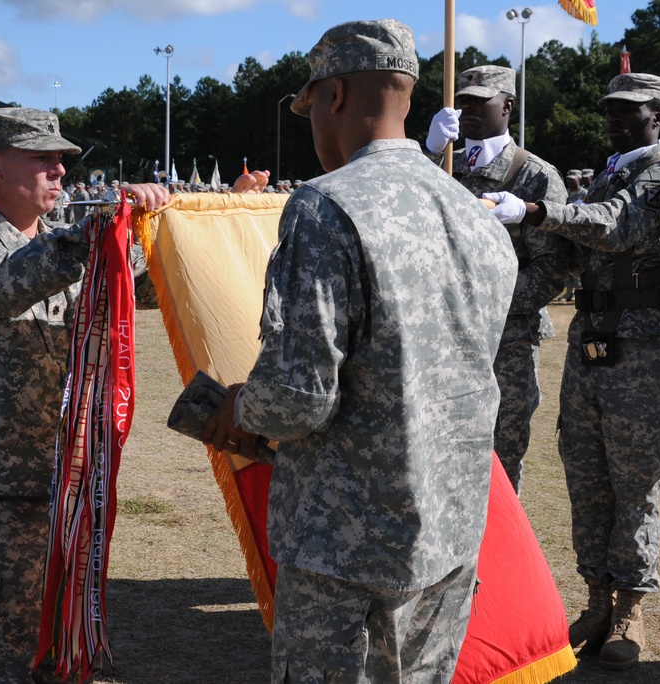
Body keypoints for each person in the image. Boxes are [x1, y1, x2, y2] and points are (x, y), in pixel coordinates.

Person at [201, 19, 517, 682]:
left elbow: (297, 398)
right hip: (449, 535)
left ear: (335, 96)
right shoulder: (474, 214)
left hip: (347, 552)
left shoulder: (326, 207)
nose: (312, 122)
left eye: (311, 105)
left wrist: (237, 406)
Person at [0, 107, 171, 684]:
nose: (60, 170)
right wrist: (92, 236)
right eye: (42, 158)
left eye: (62, 159)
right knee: (7, 663)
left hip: (70, 490)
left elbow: (158, 286)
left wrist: (176, 224)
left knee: (57, 658)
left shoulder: (74, 245)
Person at [520, 72, 660, 669]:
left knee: (635, 479)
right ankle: (597, 597)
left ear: (659, 117)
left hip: (642, 340)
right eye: (612, 110)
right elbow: (576, 249)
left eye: (632, 111)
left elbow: (617, 227)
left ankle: (631, 606)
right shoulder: (610, 172)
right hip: (592, 337)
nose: (618, 119)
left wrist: (539, 208)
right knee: (587, 471)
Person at [424, 63, 569, 494]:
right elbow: (402, 208)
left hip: (508, 339)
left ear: (507, 106)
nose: (466, 108)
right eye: (461, 100)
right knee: (438, 453)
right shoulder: (442, 166)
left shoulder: (536, 176)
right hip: (444, 337)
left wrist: (484, 302)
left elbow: (551, 270)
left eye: (479, 101)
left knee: (500, 464)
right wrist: (428, 152)